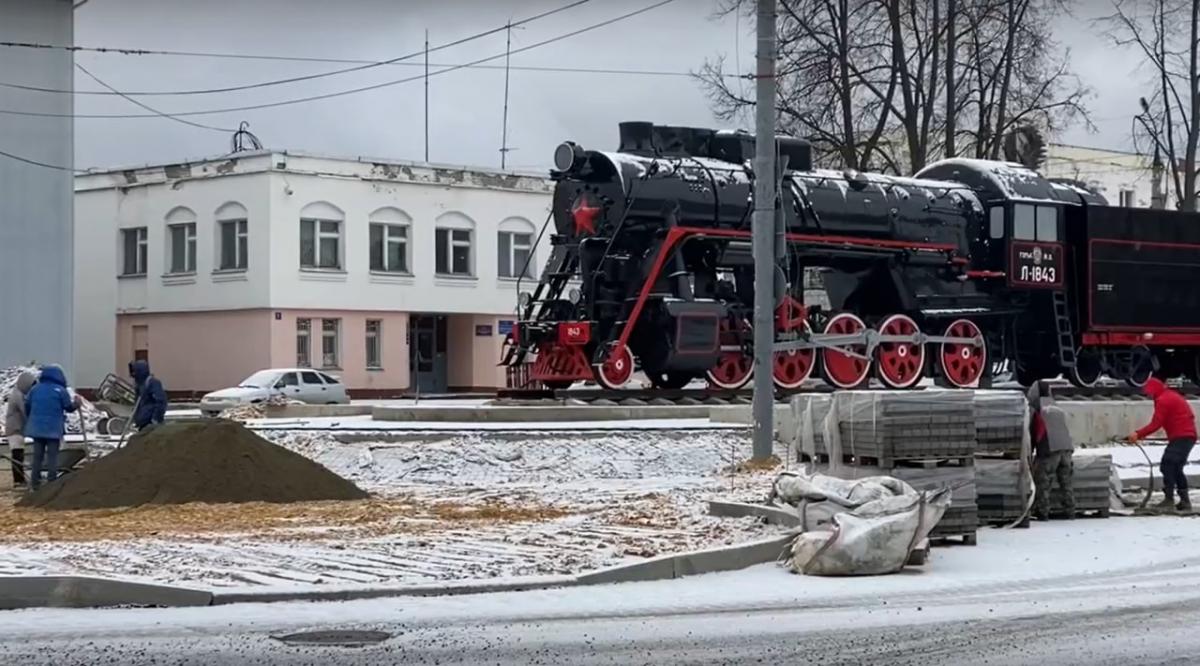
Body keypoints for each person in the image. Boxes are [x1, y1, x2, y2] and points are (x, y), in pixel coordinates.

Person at [1127, 377, 1197, 512]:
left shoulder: (1163, 400)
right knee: (1176, 468)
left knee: (1167, 464)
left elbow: (1156, 424)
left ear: (1154, 390)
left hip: (1182, 436)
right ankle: (1184, 501)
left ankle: (1169, 499)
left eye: (1149, 392)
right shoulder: (1170, 396)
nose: (1148, 395)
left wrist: (1138, 434)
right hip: (1186, 436)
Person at [22, 364, 80, 491]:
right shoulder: (60, 390)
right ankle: (51, 484)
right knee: (52, 457)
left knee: (38, 457)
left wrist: (32, 419)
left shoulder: (35, 389)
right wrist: (77, 403)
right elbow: (69, 407)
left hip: (36, 429)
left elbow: (27, 406)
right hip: (53, 430)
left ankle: (35, 484)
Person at [1028, 380, 1075, 520]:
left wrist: (1030, 453)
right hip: (1066, 448)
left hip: (1050, 449)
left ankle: (1042, 512)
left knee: (1043, 481)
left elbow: (1034, 432)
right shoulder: (1056, 406)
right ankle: (1070, 510)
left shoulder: (1037, 409)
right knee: (1066, 482)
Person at [4, 371, 36, 486]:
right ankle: (18, 480)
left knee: (19, 454)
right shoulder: (17, 395)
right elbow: (24, 411)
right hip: (15, 429)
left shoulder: (19, 393)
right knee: (17, 454)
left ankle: (20, 479)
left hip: (17, 429)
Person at [129, 359, 167, 431]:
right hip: (142, 423)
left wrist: (155, 418)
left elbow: (161, 401)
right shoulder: (140, 386)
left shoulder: (152, 383)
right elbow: (138, 404)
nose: (134, 376)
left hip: (151, 424)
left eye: (135, 373)